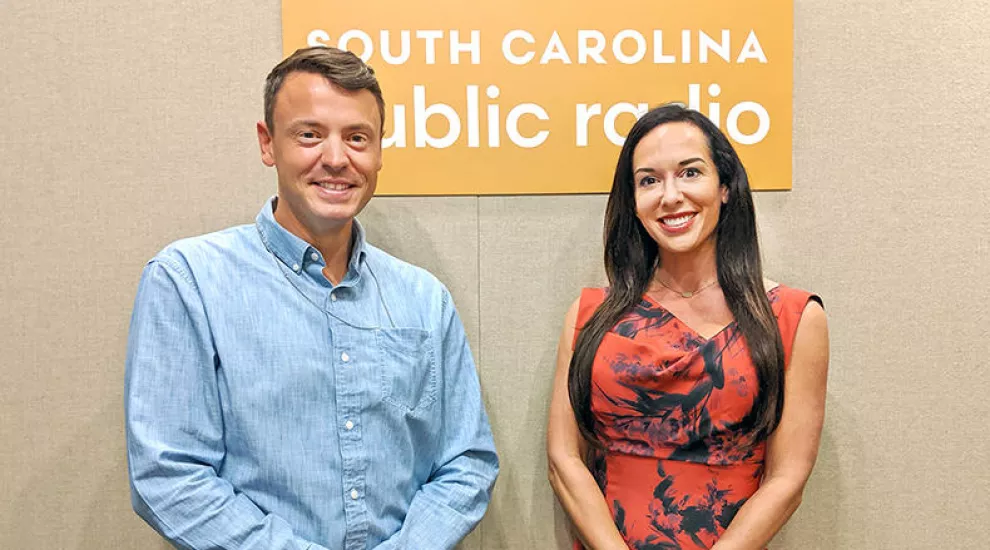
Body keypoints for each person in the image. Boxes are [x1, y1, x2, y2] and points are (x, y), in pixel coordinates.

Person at [125, 46, 498, 550]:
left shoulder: (424, 298)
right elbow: (169, 475)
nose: (337, 158)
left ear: (380, 151)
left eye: (357, 137)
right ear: (267, 143)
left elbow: (466, 462)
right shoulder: (189, 280)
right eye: (310, 134)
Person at [546, 104, 829, 550]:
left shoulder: (793, 319)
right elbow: (564, 459)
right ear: (633, 202)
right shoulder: (590, 316)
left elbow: (788, 479)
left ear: (726, 187)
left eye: (690, 172)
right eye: (649, 180)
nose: (670, 195)